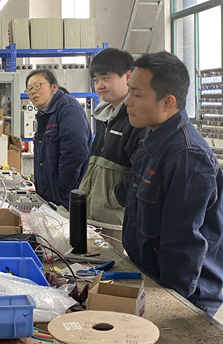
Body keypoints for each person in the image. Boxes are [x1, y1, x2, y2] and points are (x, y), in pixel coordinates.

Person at [122, 51, 223, 315]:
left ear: (168, 102)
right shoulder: (153, 142)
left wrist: (168, 308)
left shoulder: (187, 155)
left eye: (137, 94)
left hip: (184, 299)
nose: (127, 102)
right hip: (151, 281)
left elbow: (184, 248)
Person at [78, 48, 148, 238]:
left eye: (106, 78)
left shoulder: (137, 118)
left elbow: (142, 171)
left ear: (128, 77)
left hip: (118, 221)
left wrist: (116, 199)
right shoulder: (103, 116)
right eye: (96, 80)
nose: (99, 85)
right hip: (94, 216)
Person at [26, 68, 91, 208]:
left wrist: (64, 188)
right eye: (29, 89)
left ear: (54, 87)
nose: (33, 91)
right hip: (51, 196)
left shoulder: (68, 108)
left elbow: (75, 151)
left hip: (65, 197)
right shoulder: (45, 114)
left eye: (37, 86)